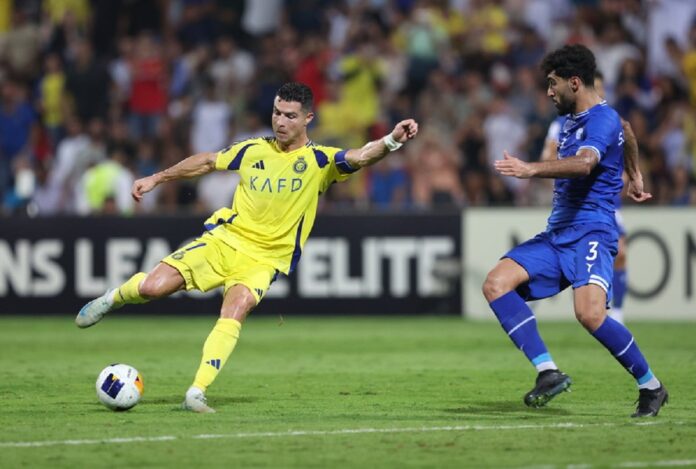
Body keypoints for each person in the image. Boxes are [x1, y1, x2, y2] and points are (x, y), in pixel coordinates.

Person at [75, 82, 419, 413]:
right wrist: (156, 178)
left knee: (235, 310)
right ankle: (113, 298)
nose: (280, 121)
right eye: (277, 112)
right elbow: (208, 161)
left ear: (307, 119)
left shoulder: (319, 161)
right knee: (152, 288)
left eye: (290, 116)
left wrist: (391, 140)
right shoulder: (253, 149)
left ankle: (196, 392)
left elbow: (361, 156)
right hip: (224, 240)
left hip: (265, 259)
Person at [484, 45, 667, 417]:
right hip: (558, 234)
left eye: (552, 84)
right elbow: (628, 130)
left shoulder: (601, 119)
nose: (549, 91)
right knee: (496, 283)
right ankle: (547, 372)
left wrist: (531, 169)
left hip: (591, 232)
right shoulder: (578, 119)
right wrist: (635, 174)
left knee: (590, 315)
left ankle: (651, 386)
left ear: (575, 82)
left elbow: (584, 164)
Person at [541, 71, 632, 325]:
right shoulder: (561, 123)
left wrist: (630, 173)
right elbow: (547, 157)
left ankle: (617, 314)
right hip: (573, 204)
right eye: (595, 87)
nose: (598, 93)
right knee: (566, 256)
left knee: (621, 253)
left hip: (605, 204)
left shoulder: (608, 119)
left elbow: (627, 139)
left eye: (601, 88)